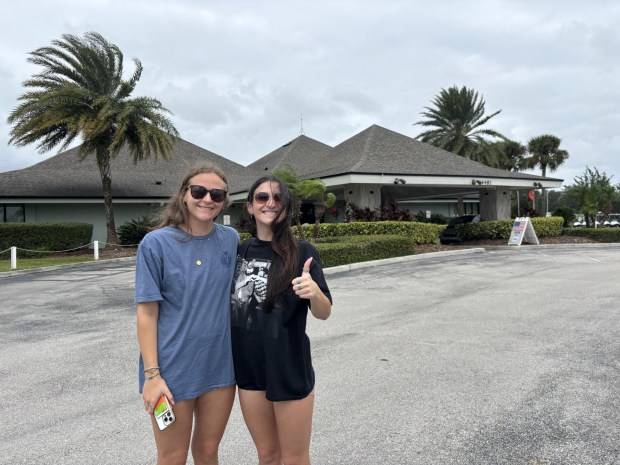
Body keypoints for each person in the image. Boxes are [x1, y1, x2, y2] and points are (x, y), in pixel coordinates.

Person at [135, 162, 238, 465]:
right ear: (183, 194)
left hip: (220, 369)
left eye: (217, 194)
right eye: (199, 191)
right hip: (171, 373)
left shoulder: (230, 239)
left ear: (223, 201)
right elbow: (147, 314)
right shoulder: (155, 243)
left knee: (207, 452)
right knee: (172, 456)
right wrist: (152, 376)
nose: (207, 199)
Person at [231, 175, 332, 465]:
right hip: (250, 370)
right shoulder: (239, 252)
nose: (270, 203)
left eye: (278, 198)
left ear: (286, 208)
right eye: (262, 197)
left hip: (289, 367)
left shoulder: (303, 252)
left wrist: (314, 292)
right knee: (267, 454)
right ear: (250, 206)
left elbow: (324, 312)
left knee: (294, 458)